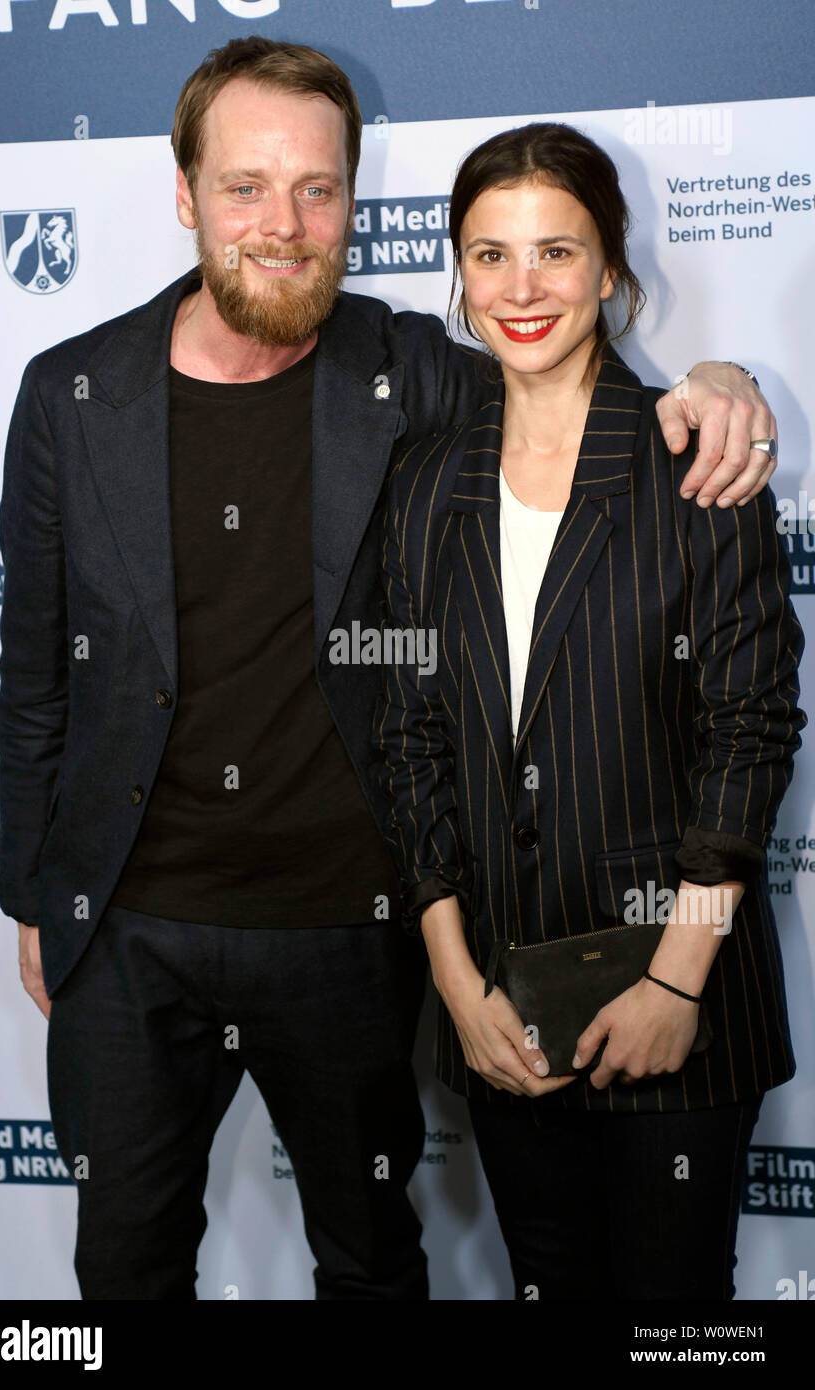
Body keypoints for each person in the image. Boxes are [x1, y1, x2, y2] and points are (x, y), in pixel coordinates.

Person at [0, 33, 780, 1301]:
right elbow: (34, 670)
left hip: (346, 933)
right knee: (120, 1269)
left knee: (371, 1260)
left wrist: (715, 385)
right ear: (184, 194)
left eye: (319, 189)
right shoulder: (72, 392)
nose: (285, 225)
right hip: (127, 932)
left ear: (356, 199)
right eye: (246, 186)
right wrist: (35, 891)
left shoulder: (409, 370)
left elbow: (565, 374)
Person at [377, 121, 804, 1301]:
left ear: (612, 268)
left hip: (679, 1002)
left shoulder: (697, 463)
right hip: (506, 1013)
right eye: (490, 254)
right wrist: (459, 989)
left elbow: (749, 738)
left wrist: (674, 984)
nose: (522, 288)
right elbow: (411, 741)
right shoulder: (424, 484)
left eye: (556, 252)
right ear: (458, 273)